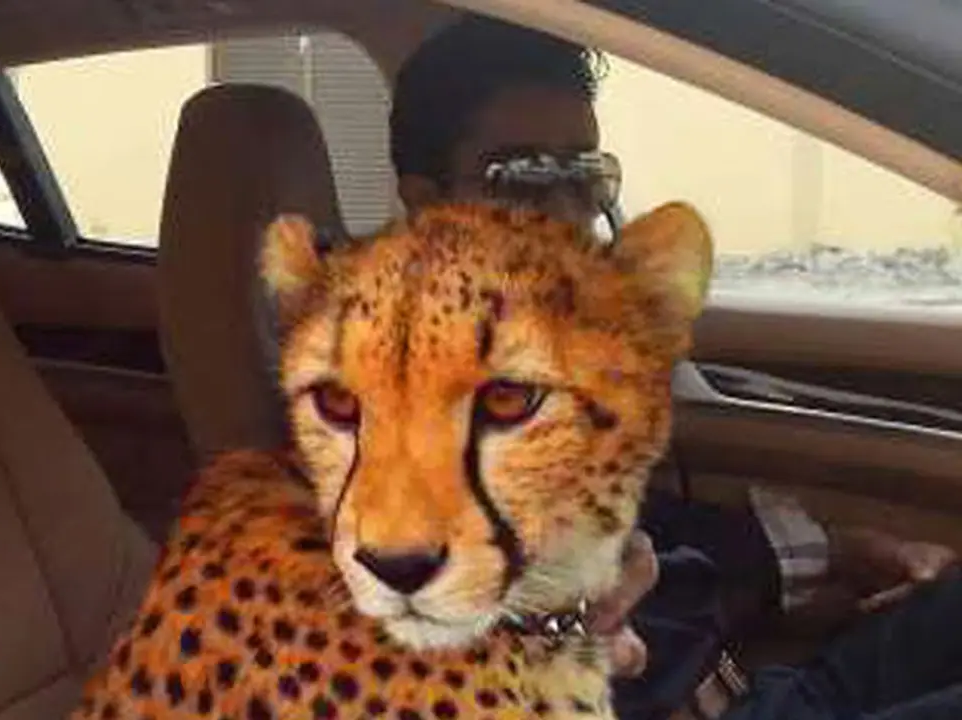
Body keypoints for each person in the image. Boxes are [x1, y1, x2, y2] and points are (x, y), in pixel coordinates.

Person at [388, 13, 961, 720]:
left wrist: (838, 553)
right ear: (427, 205)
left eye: (582, 174)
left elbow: (665, 538)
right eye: (521, 177)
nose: (565, 213)